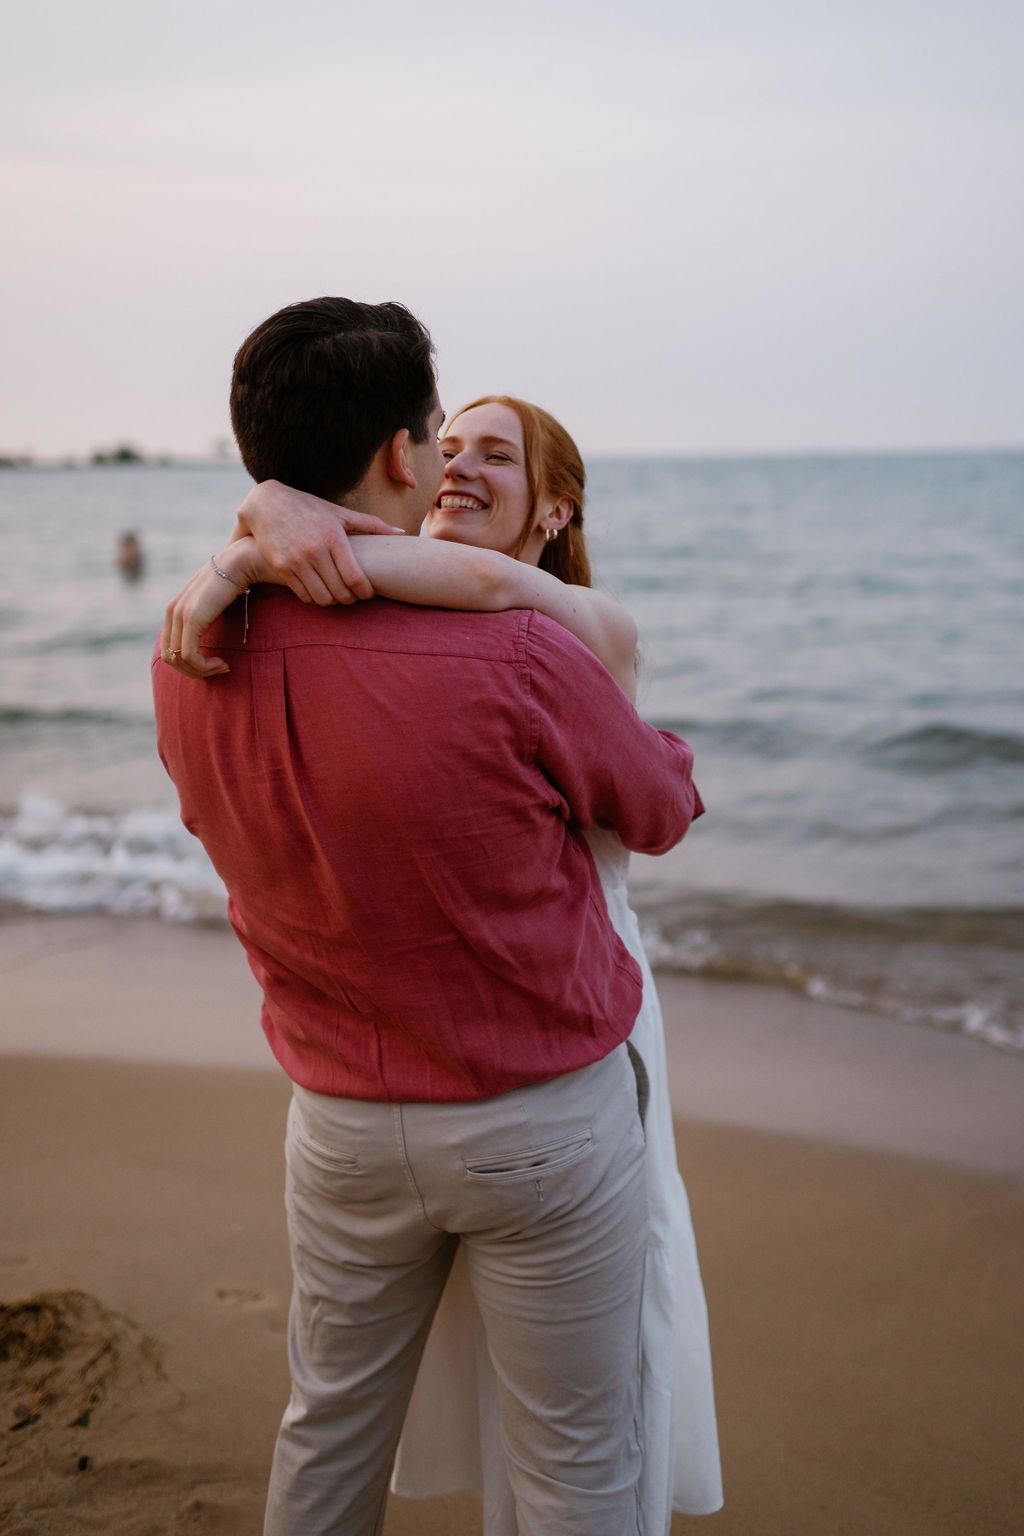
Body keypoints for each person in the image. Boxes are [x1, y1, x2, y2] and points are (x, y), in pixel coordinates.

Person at [152, 296, 705, 1536]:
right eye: (439, 441)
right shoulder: (520, 651)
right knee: (576, 1469)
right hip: (535, 1122)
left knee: (327, 1430)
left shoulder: (188, 645)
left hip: (339, 1119)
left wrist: (249, 542)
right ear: (405, 455)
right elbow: (660, 808)